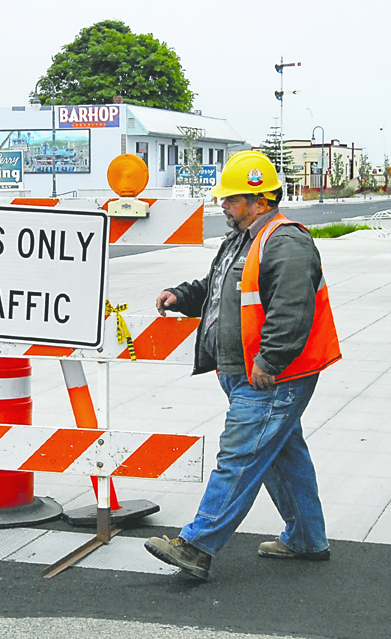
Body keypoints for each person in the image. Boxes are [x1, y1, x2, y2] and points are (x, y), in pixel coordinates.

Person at [144, 151, 342, 580]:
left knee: (240, 456)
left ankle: (196, 546)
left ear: (260, 199)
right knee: (280, 455)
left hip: (272, 376)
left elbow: (292, 310)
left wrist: (269, 361)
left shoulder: (285, 241)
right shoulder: (242, 239)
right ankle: (308, 538)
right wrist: (183, 296)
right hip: (245, 371)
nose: (224, 206)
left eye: (231, 200)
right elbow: (220, 290)